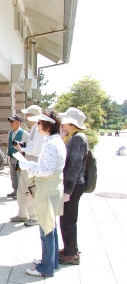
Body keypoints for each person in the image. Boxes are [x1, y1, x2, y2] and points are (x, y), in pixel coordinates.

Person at [20, 110, 66, 277]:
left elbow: (46, 170)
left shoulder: (51, 144)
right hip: (52, 187)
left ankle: (45, 267)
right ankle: (50, 261)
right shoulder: (56, 141)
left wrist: (28, 166)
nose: (37, 125)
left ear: (47, 124)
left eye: (39, 123)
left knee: (46, 228)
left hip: (47, 188)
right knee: (50, 226)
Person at [59, 107, 88, 265]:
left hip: (74, 185)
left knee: (68, 219)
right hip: (72, 184)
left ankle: (71, 253)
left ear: (71, 123)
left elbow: (74, 166)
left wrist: (67, 190)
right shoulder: (74, 137)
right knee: (66, 219)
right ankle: (69, 248)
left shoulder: (78, 138)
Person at [11, 105, 45, 226]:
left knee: (31, 189)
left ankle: (34, 216)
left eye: (28, 115)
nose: (26, 117)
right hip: (28, 159)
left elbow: (36, 148)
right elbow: (32, 145)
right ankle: (22, 214)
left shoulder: (40, 128)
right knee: (22, 187)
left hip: (34, 161)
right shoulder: (34, 128)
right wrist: (23, 146)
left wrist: (22, 148)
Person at [7, 114, 28, 198]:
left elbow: (25, 146)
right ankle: (15, 190)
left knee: (20, 175)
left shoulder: (24, 133)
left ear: (18, 122)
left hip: (20, 157)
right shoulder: (10, 132)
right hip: (11, 156)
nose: (11, 123)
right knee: (13, 175)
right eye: (10, 121)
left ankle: (20, 192)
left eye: (12, 121)